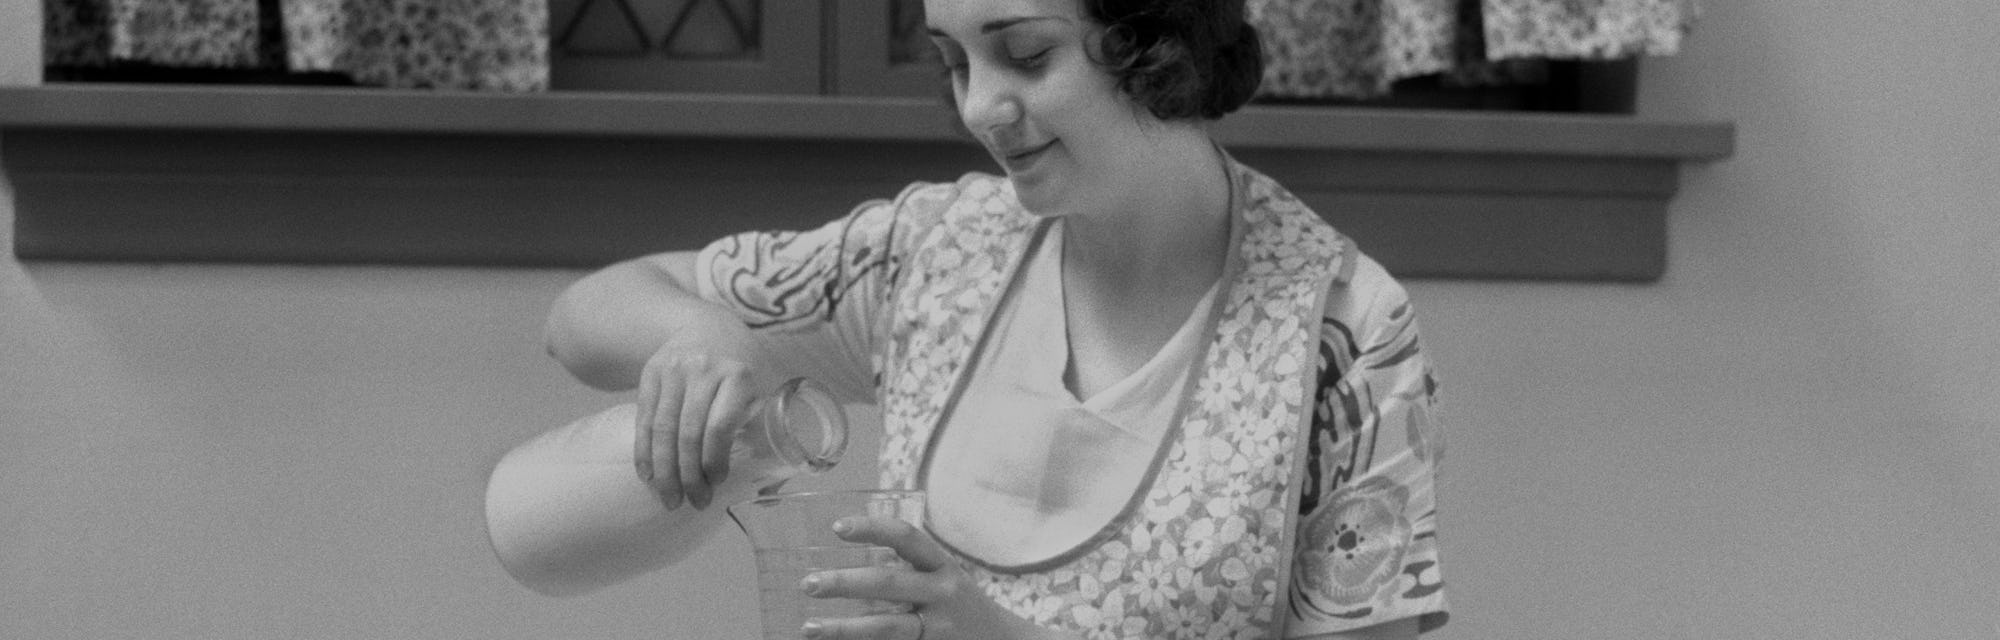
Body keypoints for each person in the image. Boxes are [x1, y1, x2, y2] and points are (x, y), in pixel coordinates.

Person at [541, 0, 1450, 637]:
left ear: (1157, 39)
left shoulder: (1341, 332)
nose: (980, 108)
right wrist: (706, 334)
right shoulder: (928, 254)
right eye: (953, 60)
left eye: (1025, 55)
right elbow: (584, 318)